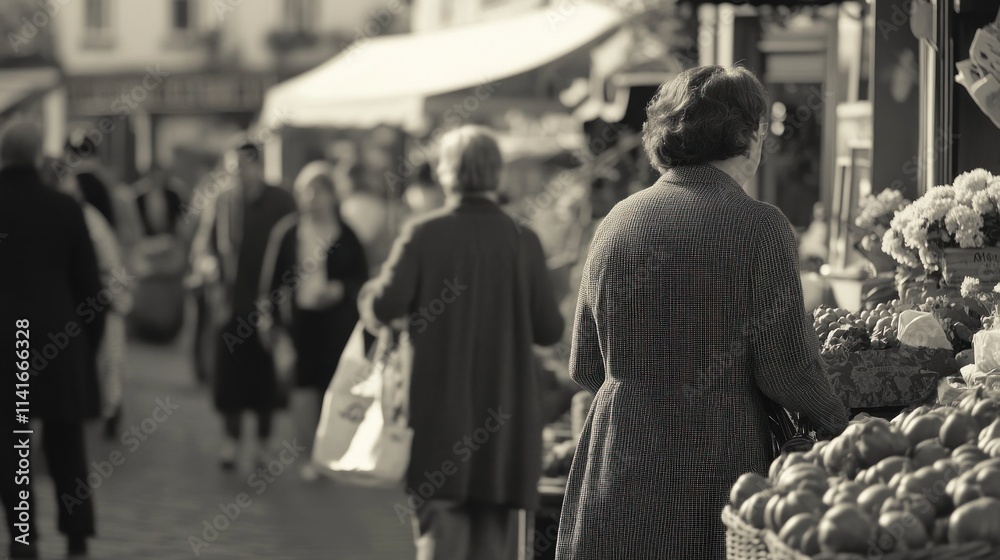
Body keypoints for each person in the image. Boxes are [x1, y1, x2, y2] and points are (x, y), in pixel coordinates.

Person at [554, 66, 850, 560]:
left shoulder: (618, 222)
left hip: (618, 458)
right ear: (748, 136)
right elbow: (786, 368)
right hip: (719, 459)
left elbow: (584, 365)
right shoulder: (760, 227)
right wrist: (843, 426)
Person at [358, 125, 565, 560]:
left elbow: (382, 308)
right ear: (496, 174)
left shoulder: (423, 234)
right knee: (496, 542)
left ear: (445, 174)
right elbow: (548, 330)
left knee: (439, 538)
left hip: (437, 418)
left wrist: (373, 292)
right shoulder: (522, 240)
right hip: (504, 423)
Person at [0, 120, 106, 559]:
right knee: (66, 440)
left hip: (6, 341)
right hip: (60, 336)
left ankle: (24, 538)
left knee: (13, 442)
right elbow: (91, 291)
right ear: (37, 156)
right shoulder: (66, 208)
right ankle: (77, 534)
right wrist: (88, 348)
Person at [258, 161, 369, 482]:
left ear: (333, 195)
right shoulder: (288, 233)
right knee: (302, 387)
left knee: (331, 388)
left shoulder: (346, 235)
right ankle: (310, 454)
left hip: (337, 323)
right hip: (300, 322)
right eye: (308, 191)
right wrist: (271, 321)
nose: (313, 198)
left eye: (320, 191)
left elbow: (362, 278)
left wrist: (340, 289)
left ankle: (330, 453)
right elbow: (271, 283)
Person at [190, 138, 296, 470]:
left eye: (243, 167)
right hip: (230, 306)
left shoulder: (282, 201)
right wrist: (207, 263)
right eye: (232, 168)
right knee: (230, 379)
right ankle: (231, 440)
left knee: (265, 380)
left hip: (268, 307)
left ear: (258, 165)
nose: (237, 174)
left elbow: (296, 251)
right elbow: (204, 244)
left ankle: (264, 443)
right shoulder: (222, 202)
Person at [58, 170, 133, 441]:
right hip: (97, 299)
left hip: (101, 300)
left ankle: (110, 408)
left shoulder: (87, 218)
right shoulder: (83, 215)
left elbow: (110, 266)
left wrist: (110, 299)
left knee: (110, 361)